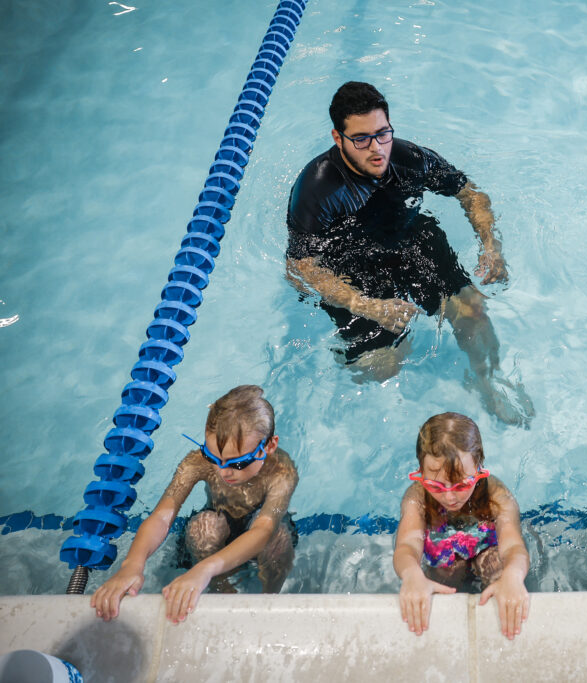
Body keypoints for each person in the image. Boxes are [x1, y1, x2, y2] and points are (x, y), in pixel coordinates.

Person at [286, 81, 532, 427]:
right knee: (382, 368)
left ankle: (486, 383)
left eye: (383, 133)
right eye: (361, 139)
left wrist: (491, 247)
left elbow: (470, 193)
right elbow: (299, 269)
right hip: (350, 268)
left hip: (411, 241)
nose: (377, 149)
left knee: (473, 310)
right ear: (337, 138)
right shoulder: (316, 190)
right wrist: (365, 305)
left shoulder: (410, 159)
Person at [91, 385, 299, 623]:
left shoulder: (281, 471)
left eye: (238, 463)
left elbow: (263, 530)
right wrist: (132, 564)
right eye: (213, 457)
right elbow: (162, 516)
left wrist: (206, 568)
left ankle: (267, 602)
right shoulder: (197, 463)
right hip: (219, 526)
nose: (223, 472)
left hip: (260, 532)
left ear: (269, 446)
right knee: (203, 528)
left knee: (279, 538)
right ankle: (221, 591)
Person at [393, 412, 530, 639]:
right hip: (444, 548)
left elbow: (514, 546)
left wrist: (513, 576)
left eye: (460, 485)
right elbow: (407, 545)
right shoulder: (416, 498)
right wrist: (411, 575)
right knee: (443, 572)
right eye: (436, 486)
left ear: (479, 467)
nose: (449, 497)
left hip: (486, 544)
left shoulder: (496, 495)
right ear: (420, 472)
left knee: (499, 568)